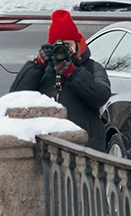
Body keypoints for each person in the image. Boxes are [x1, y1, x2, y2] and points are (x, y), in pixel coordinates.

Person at [12, 9, 112, 150]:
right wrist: (37, 65)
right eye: (58, 46)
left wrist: (73, 72)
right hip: (47, 147)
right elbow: (16, 96)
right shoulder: (44, 71)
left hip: (85, 145)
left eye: (68, 45)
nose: (64, 50)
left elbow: (101, 96)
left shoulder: (92, 67)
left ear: (77, 44)